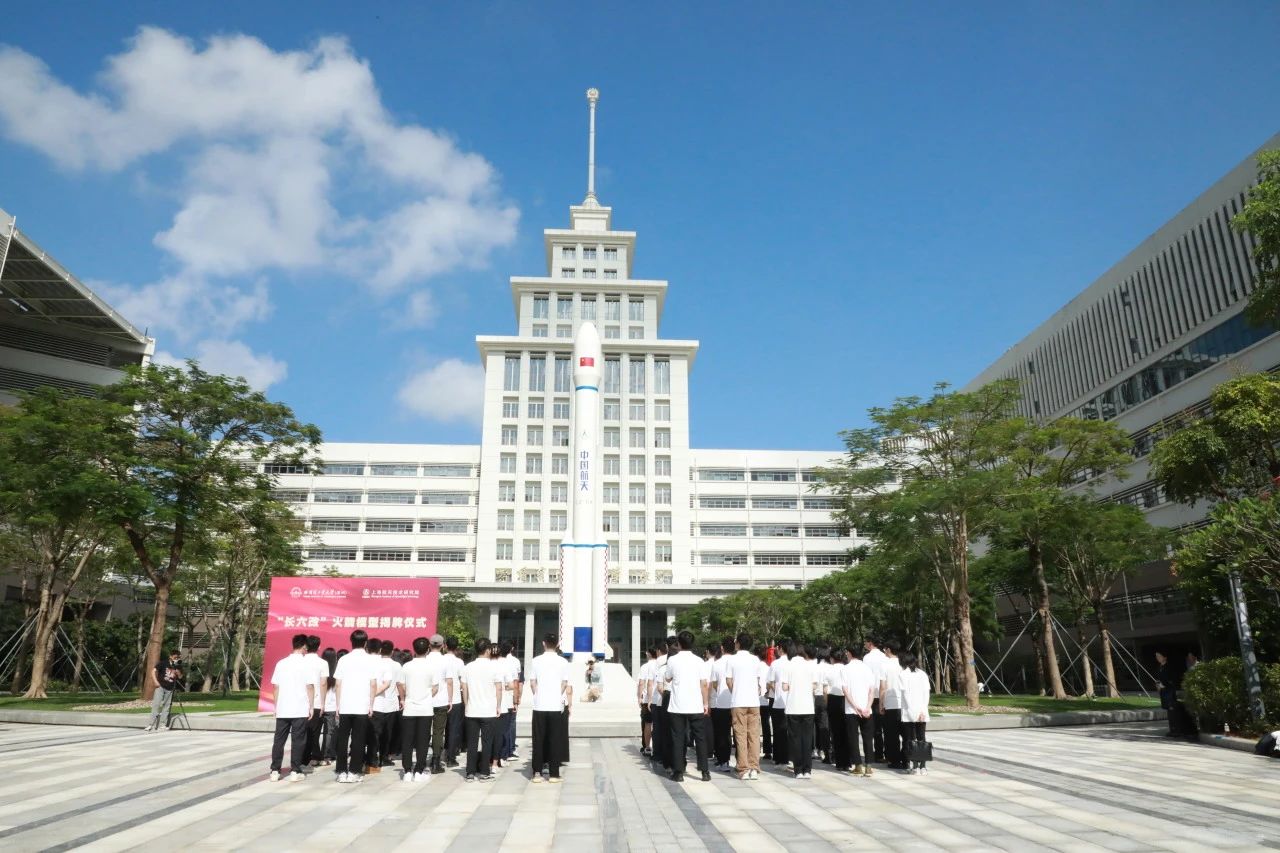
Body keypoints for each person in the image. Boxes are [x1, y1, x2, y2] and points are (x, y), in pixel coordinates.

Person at [269, 633, 317, 782]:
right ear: (303, 646)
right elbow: (310, 686)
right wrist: (311, 706)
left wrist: (276, 706)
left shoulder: (281, 663)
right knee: (298, 740)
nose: (306, 650)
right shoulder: (306, 664)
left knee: (279, 740)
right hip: (299, 708)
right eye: (306, 647)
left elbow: (276, 687)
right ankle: (295, 770)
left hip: (283, 708)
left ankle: (275, 770)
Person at [333, 629, 379, 783]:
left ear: (351, 641)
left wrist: (338, 705)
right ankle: (354, 771)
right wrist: (371, 704)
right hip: (362, 706)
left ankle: (341, 771)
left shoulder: (343, 659)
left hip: (345, 705)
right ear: (365, 642)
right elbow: (373, 684)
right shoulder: (371, 660)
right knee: (359, 740)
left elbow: (338, 684)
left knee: (342, 739)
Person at [665, 631, 711, 782]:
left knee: (678, 738)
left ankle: (678, 772)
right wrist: (705, 703)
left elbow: (668, 677)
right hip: (696, 704)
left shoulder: (672, 660)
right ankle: (705, 771)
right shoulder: (699, 661)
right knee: (700, 738)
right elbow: (704, 684)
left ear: (678, 643)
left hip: (677, 705)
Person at [528, 633, 572, 782]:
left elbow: (533, 682)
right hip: (555, 705)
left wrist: (538, 694)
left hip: (539, 705)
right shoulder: (563, 662)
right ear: (557, 644)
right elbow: (564, 683)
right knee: (555, 739)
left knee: (538, 739)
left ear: (544, 643)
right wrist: (556, 695)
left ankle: (537, 773)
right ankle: (554, 774)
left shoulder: (536, 661)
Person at [461, 637, 503, 782]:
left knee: (472, 743)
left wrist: (466, 704)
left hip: (472, 710)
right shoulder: (494, 667)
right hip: (488, 710)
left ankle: (470, 772)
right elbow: (498, 689)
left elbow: (464, 689)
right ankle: (485, 771)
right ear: (487, 650)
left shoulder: (467, 667)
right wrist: (498, 706)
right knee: (487, 742)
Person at [399, 637, 439, 782]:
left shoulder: (406, 666)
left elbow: (401, 685)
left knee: (407, 741)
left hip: (409, 708)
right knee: (423, 741)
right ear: (427, 649)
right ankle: (419, 771)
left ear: (413, 649)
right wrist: (426, 696)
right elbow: (435, 688)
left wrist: (405, 697)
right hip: (426, 709)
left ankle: (407, 770)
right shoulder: (431, 667)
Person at [725, 632, 763, 780]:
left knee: (740, 735)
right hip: (754, 702)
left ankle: (743, 768)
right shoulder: (756, 660)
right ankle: (754, 767)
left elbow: (729, 681)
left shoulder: (732, 660)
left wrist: (736, 691)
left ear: (738, 643)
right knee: (753, 735)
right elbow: (758, 681)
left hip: (738, 702)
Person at [782, 643, 818, 779]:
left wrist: (793, 686)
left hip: (793, 707)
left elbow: (785, 687)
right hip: (808, 707)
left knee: (795, 739)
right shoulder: (810, 665)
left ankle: (798, 770)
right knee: (807, 738)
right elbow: (815, 685)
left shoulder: (788, 666)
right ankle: (807, 769)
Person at [420, 634, 453, 775]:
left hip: (425, 699)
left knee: (424, 731)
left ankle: (422, 761)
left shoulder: (424, 660)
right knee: (438, 732)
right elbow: (449, 681)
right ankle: (436, 760)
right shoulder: (446, 661)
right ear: (442, 645)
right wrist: (450, 699)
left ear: (429, 645)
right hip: (441, 700)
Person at [842, 644, 876, 777]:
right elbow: (871, 690)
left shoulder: (845, 669)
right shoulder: (867, 669)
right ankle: (869, 766)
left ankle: (857, 765)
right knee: (868, 738)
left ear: (849, 653)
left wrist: (855, 707)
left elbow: (845, 690)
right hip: (867, 710)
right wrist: (867, 707)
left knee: (853, 738)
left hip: (852, 710)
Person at [898, 651, 931, 775]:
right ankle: (923, 766)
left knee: (911, 739)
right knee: (921, 738)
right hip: (922, 712)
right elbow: (926, 694)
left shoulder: (903, 674)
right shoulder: (922, 674)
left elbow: (906, 695)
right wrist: (922, 710)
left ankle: (915, 766)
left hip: (909, 712)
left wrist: (913, 712)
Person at [880, 642, 906, 770]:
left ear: (889, 650)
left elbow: (883, 687)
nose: (884, 651)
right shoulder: (904, 664)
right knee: (906, 734)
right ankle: (906, 759)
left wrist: (881, 704)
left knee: (892, 735)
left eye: (884, 649)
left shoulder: (884, 665)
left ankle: (895, 760)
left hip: (890, 703)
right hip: (904, 703)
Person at [301, 636, 327, 767]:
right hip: (316, 701)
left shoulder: (301, 661)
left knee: (301, 732)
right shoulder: (322, 663)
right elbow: (323, 683)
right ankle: (314, 757)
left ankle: (302, 757)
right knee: (315, 732)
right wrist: (323, 703)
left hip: (301, 701)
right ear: (319, 646)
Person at [144, 649, 183, 732]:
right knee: (156, 705)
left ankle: (163, 724)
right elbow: (153, 671)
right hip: (161, 686)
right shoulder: (163, 663)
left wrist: (177, 672)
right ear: (171, 656)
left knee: (166, 707)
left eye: (178, 657)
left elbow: (180, 677)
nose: (176, 659)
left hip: (170, 688)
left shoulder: (178, 665)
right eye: (175, 657)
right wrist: (155, 681)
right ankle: (151, 724)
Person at [709, 639, 733, 771]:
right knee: (737, 734)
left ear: (722, 648)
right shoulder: (737, 661)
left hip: (721, 703)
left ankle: (722, 760)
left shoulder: (716, 664)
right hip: (736, 702)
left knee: (721, 733)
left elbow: (714, 684)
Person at [863, 637, 887, 763]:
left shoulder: (867, 658)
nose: (864, 644)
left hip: (871, 694)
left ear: (870, 643)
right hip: (882, 694)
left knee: (870, 726)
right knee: (880, 726)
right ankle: (880, 753)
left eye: (865, 642)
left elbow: (866, 676)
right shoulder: (884, 656)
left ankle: (871, 753)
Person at [443, 636, 466, 766]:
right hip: (456, 698)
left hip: (440, 698)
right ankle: (451, 757)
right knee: (453, 728)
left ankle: (437, 754)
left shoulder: (440, 660)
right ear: (456, 648)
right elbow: (462, 680)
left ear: (445, 645)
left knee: (439, 729)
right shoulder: (459, 662)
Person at [767, 641, 791, 766]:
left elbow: (770, 682)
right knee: (788, 730)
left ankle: (778, 757)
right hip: (790, 702)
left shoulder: (775, 664)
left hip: (777, 700)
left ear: (781, 649)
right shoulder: (791, 664)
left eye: (777, 647)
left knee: (777, 730)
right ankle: (788, 757)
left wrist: (776, 689)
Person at [498, 640, 522, 762]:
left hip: (497, 699)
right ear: (511, 649)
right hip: (509, 698)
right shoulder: (514, 662)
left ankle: (500, 753)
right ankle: (509, 750)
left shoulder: (495, 662)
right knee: (510, 725)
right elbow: (516, 683)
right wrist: (517, 699)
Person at [824, 648, 848, 769]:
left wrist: (826, 703)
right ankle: (848, 761)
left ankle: (839, 762)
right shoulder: (847, 668)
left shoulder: (829, 669)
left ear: (832, 658)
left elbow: (825, 690)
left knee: (836, 732)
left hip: (833, 699)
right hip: (846, 699)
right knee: (847, 730)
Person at [648, 644, 670, 770]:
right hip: (671, 701)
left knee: (657, 729)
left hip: (659, 700)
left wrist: (649, 700)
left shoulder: (656, 663)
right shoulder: (672, 660)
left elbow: (651, 684)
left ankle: (658, 754)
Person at [813, 644, 831, 765]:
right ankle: (829, 752)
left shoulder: (816, 667)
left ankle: (820, 750)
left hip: (818, 697)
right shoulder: (831, 667)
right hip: (831, 697)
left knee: (818, 726)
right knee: (828, 726)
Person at [319, 648, 338, 764]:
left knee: (315, 732)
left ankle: (315, 755)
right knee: (328, 732)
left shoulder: (320, 669)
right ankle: (325, 756)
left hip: (318, 705)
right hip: (331, 706)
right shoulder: (336, 672)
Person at [637, 648, 657, 756]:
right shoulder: (660, 665)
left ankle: (647, 746)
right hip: (658, 699)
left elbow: (641, 683)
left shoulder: (645, 667)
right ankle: (657, 746)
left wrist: (639, 697)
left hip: (646, 699)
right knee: (658, 724)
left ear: (649, 654)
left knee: (647, 723)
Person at [756, 647, 773, 760]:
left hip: (756, 700)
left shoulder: (756, 667)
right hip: (766, 700)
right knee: (766, 725)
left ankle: (755, 748)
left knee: (755, 726)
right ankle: (767, 751)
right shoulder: (769, 668)